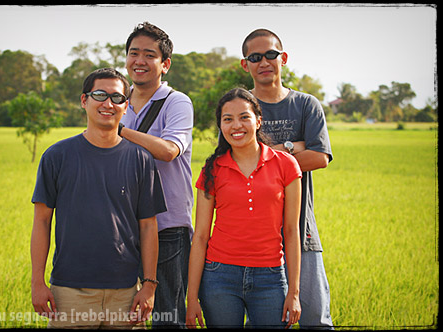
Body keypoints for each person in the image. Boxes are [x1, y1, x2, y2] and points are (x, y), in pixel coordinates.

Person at [30, 68, 166, 329]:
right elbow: (42, 222)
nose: (108, 104)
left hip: (126, 293)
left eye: (117, 98)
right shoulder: (56, 156)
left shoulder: (141, 160)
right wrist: (38, 282)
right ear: (84, 100)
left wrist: (148, 286)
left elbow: (148, 226)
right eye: (100, 95)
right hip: (69, 292)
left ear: (125, 106)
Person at [241, 28, 334, 329]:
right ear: (246, 65)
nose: (264, 62)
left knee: (314, 319)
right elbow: (238, 164)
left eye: (270, 54)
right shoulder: (239, 108)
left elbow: (319, 158)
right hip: (252, 237)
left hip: (302, 230)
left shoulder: (306, 105)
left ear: (283, 58)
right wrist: (296, 147)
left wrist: (268, 152)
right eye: (255, 57)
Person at [186, 88, 302, 329]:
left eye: (244, 117)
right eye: (227, 119)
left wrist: (294, 292)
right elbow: (200, 237)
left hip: (270, 276)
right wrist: (191, 297)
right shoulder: (212, 169)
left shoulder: (286, 164)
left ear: (258, 121)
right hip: (219, 276)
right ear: (221, 126)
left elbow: (291, 231)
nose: (236, 125)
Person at [119, 22, 194, 328]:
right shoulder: (117, 103)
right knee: (122, 314)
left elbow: (168, 151)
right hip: (122, 226)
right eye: (133, 53)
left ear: (165, 64)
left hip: (167, 228)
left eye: (149, 55)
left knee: (167, 317)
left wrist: (118, 131)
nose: (139, 60)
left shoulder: (176, 102)